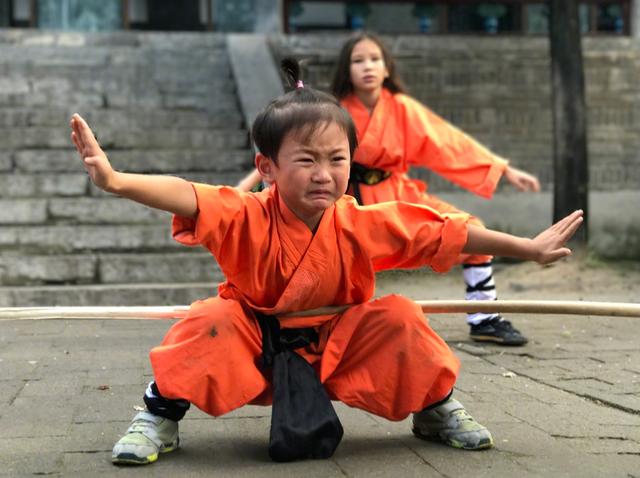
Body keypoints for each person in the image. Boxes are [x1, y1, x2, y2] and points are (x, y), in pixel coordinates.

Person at [70, 59, 582, 466]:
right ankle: (159, 415)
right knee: (208, 320)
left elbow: (441, 230)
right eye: (307, 160)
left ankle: (433, 409)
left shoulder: (358, 221)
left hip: (339, 346)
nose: (324, 174)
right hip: (259, 344)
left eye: (337, 160)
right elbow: (187, 195)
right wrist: (116, 181)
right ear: (267, 168)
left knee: (401, 317)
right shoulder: (244, 213)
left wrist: (528, 246)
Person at [239, 34, 542, 346]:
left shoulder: (402, 109)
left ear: (386, 69)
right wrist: (248, 186)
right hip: (346, 198)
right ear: (347, 69)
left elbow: (448, 143)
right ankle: (310, 324)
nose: (367, 66)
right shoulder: (333, 111)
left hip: (397, 191)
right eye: (358, 60)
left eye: (374, 59)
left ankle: (484, 317)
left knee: (470, 230)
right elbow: (288, 152)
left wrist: (503, 169)